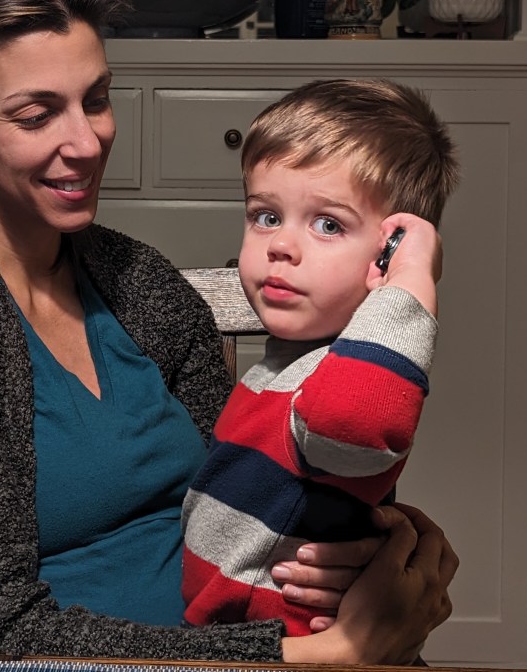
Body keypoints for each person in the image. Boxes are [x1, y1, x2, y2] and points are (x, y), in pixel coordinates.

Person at [0, 0, 457, 663]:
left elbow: (251, 485)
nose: (87, 142)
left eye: (96, 99)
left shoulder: (137, 280)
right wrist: (321, 656)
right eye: (36, 114)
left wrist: (383, 544)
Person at [182, 79, 460, 638]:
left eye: (328, 224)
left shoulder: (343, 375)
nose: (280, 245)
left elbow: (356, 423)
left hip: (283, 640)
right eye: (266, 216)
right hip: (229, 631)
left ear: (386, 254)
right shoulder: (286, 363)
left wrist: (408, 283)